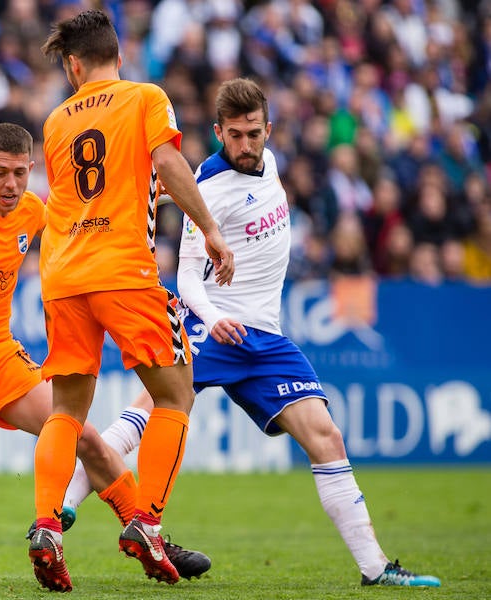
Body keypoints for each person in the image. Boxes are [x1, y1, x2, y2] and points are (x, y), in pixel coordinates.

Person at [62, 77, 441, 588]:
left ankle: (377, 569)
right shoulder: (210, 188)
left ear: (269, 130)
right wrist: (214, 319)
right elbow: (187, 276)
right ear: (218, 131)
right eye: (235, 135)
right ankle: (64, 507)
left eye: (254, 134)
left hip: (266, 338)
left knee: (326, 435)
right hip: (211, 326)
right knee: (152, 410)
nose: (245, 145)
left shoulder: (271, 163)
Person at [0, 122, 209, 578]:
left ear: (31, 170)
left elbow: (91, 215)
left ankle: (149, 534)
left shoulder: (34, 209)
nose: (10, 184)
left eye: (18, 173)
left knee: (85, 438)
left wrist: (154, 196)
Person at [29, 9, 234, 592]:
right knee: (175, 392)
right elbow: (166, 164)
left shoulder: (55, 121)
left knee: (66, 410)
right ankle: (145, 522)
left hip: (63, 275)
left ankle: (46, 525)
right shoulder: (145, 96)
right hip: (123, 269)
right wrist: (211, 229)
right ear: (117, 54)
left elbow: (83, 195)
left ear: (73, 65)